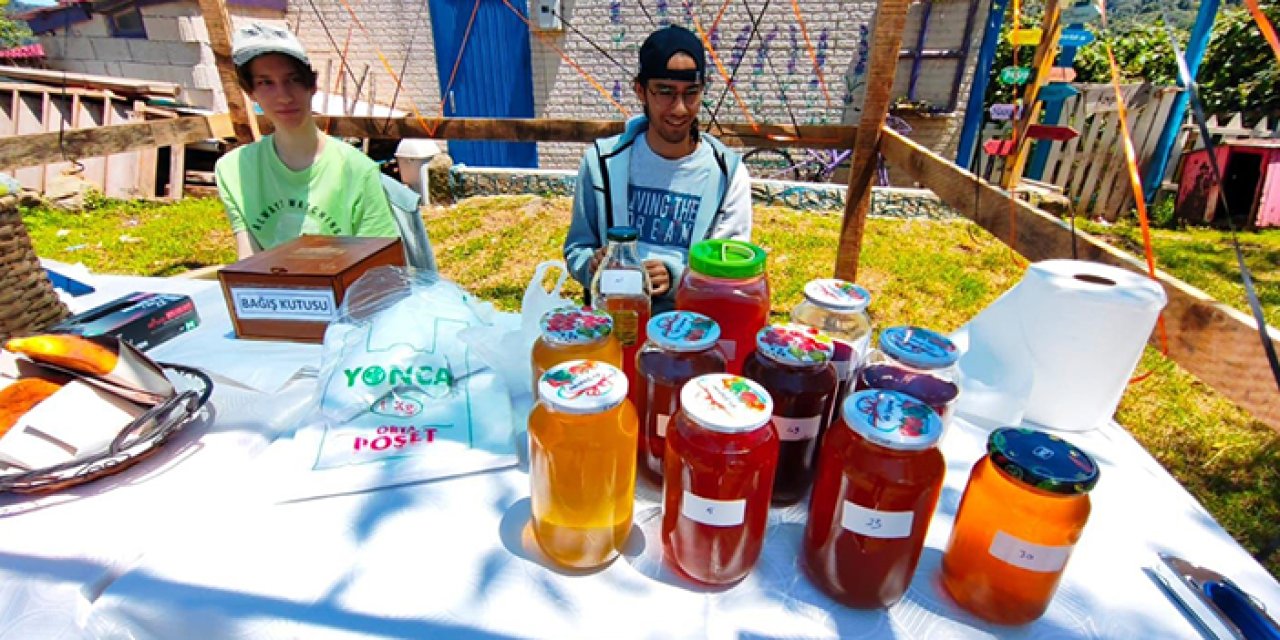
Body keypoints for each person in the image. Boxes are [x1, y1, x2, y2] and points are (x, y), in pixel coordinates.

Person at [563, 25, 752, 312]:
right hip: (616, 322)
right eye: (665, 92)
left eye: (691, 93)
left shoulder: (729, 174)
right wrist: (594, 267)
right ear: (640, 90)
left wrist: (676, 278)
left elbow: (729, 273)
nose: (679, 108)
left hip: (692, 326)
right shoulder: (601, 163)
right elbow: (577, 249)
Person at [215, 23, 397, 260]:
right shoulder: (233, 170)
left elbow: (378, 265)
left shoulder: (358, 170)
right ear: (251, 92)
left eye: (293, 80)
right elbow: (250, 262)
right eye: (265, 82)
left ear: (312, 85)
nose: (284, 96)